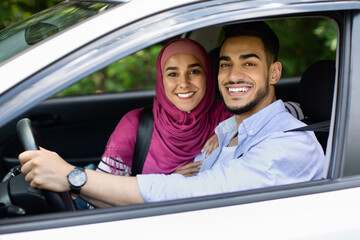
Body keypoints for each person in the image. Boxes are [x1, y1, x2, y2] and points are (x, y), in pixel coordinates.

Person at [19, 21, 325, 207]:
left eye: (249, 63)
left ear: (274, 73)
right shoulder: (228, 129)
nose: (233, 76)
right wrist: (75, 188)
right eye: (225, 64)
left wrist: (74, 177)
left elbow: (195, 194)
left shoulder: (290, 145)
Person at [96, 38, 232, 177]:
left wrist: (231, 128)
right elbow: (104, 189)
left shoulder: (229, 117)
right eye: (172, 74)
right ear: (161, 80)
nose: (184, 83)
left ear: (207, 75)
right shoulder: (136, 124)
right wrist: (169, 181)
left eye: (194, 72)